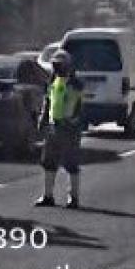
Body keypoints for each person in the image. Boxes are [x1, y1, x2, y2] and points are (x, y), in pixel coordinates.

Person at [35, 50, 84, 208]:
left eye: (60, 65)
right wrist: (43, 120)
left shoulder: (76, 85)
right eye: (55, 65)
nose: (57, 68)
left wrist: (73, 122)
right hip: (53, 126)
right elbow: (48, 102)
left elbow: (80, 107)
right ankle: (48, 196)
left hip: (70, 128)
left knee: (71, 163)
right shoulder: (53, 82)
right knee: (48, 162)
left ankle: (74, 197)